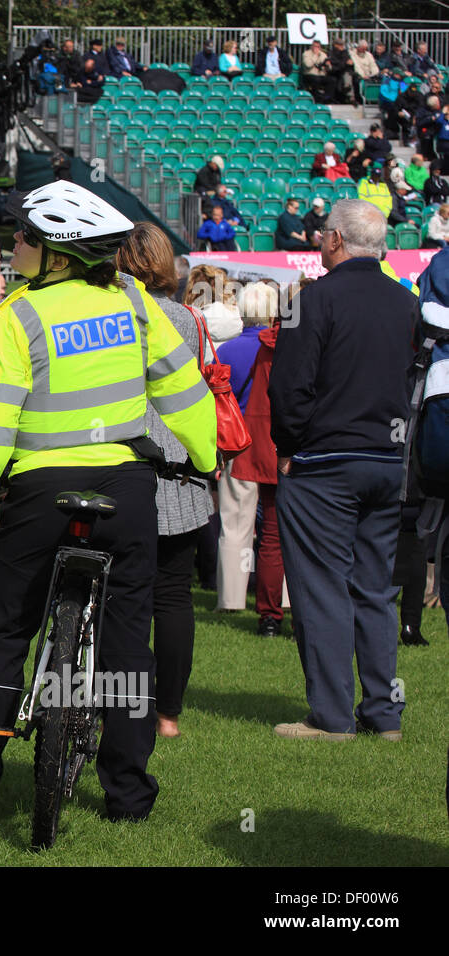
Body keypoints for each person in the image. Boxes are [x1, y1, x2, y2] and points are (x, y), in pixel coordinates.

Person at [0, 181, 216, 824]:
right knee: (127, 647)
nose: (14, 244)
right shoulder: (135, 302)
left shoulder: (17, 315)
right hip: (127, 488)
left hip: (38, 493)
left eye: (25, 237)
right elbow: (184, 392)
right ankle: (129, 797)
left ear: (57, 254)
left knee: (3, 637)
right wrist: (204, 457)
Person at [270, 200, 416, 741]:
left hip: (325, 463)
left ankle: (331, 718)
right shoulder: (407, 303)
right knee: (375, 590)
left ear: (334, 240)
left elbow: (288, 388)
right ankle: (383, 715)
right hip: (385, 459)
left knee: (323, 589)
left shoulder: (310, 301)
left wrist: (290, 444)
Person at [117, 223, 215, 739]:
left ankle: (120, 705)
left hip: (124, 464)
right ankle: (168, 715)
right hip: (177, 467)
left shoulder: (110, 314)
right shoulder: (186, 318)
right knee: (172, 596)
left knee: (122, 595)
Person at [230, 282, 290, 637]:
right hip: (302, 445)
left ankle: (269, 615)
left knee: (269, 536)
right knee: (310, 538)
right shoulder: (285, 343)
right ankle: (290, 613)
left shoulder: (268, 345)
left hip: (268, 445)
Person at [328, 38, 359, 105]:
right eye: (340, 45)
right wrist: (345, 63)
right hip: (337, 72)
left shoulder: (345, 52)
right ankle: (351, 97)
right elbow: (336, 64)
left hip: (346, 71)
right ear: (335, 45)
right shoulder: (331, 53)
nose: (342, 46)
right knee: (346, 76)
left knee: (353, 76)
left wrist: (350, 63)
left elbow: (349, 62)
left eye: (342, 45)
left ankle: (351, 95)